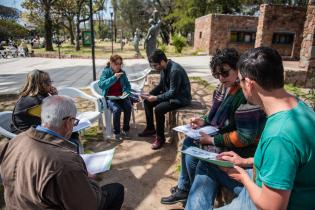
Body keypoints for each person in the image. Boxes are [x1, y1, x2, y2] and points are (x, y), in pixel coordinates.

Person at [206, 47, 315, 210]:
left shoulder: (279, 136)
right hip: (268, 183)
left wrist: (243, 177)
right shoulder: (298, 107)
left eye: (240, 80)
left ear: (249, 84)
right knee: (207, 164)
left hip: (262, 200)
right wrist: (244, 161)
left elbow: (272, 206)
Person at [160, 48, 266, 207]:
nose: (221, 78)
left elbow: (245, 137)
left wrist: (212, 140)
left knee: (198, 155)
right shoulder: (224, 88)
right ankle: (184, 188)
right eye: (217, 75)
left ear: (237, 68)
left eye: (225, 72)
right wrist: (202, 121)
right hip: (224, 137)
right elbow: (214, 116)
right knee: (189, 142)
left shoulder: (245, 95)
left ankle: (188, 189)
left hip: (241, 150)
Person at [0, 95, 124, 210]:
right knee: (117, 190)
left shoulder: (15, 141)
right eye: (75, 122)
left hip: (15, 205)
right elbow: (89, 205)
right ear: (68, 122)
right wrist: (88, 180)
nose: (74, 125)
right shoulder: (66, 162)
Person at [138, 49, 192, 150]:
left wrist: (157, 97)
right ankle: (150, 128)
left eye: (155, 65)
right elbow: (161, 86)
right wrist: (149, 94)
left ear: (162, 61)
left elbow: (172, 92)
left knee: (159, 109)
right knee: (147, 102)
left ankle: (160, 138)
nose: (154, 67)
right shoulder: (163, 68)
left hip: (180, 98)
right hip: (172, 96)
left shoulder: (175, 70)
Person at [11, 69, 58, 134]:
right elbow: (54, 117)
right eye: (49, 81)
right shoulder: (37, 100)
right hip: (23, 134)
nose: (51, 84)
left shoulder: (34, 95)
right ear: (41, 84)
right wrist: (55, 97)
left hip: (28, 129)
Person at [98, 54, 132, 141]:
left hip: (121, 97)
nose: (119, 66)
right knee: (117, 110)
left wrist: (126, 92)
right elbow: (101, 85)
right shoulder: (106, 72)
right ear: (111, 63)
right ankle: (117, 132)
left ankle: (126, 129)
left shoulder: (122, 73)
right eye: (117, 64)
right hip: (110, 98)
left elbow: (128, 86)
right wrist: (114, 77)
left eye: (120, 64)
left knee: (128, 106)